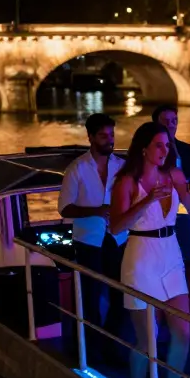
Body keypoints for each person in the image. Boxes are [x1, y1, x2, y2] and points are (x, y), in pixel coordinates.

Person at [109, 122, 190, 378]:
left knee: (183, 332)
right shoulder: (126, 181)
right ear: (144, 149)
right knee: (147, 339)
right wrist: (148, 199)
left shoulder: (175, 176)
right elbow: (115, 227)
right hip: (141, 256)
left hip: (170, 254)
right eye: (159, 146)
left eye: (167, 146)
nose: (165, 151)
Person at [57, 113, 128, 360]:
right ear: (90, 138)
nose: (109, 140)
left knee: (121, 296)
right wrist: (97, 211)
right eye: (103, 136)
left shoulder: (121, 167)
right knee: (90, 297)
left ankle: (109, 344)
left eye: (111, 135)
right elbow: (65, 209)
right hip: (88, 240)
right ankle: (91, 351)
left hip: (117, 238)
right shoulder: (76, 169)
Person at [151, 105, 190, 265]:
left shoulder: (186, 150)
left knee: (184, 261)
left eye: (174, 121)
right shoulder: (147, 153)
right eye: (166, 121)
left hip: (182, 212)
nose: (171, 125)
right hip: (156, 213)